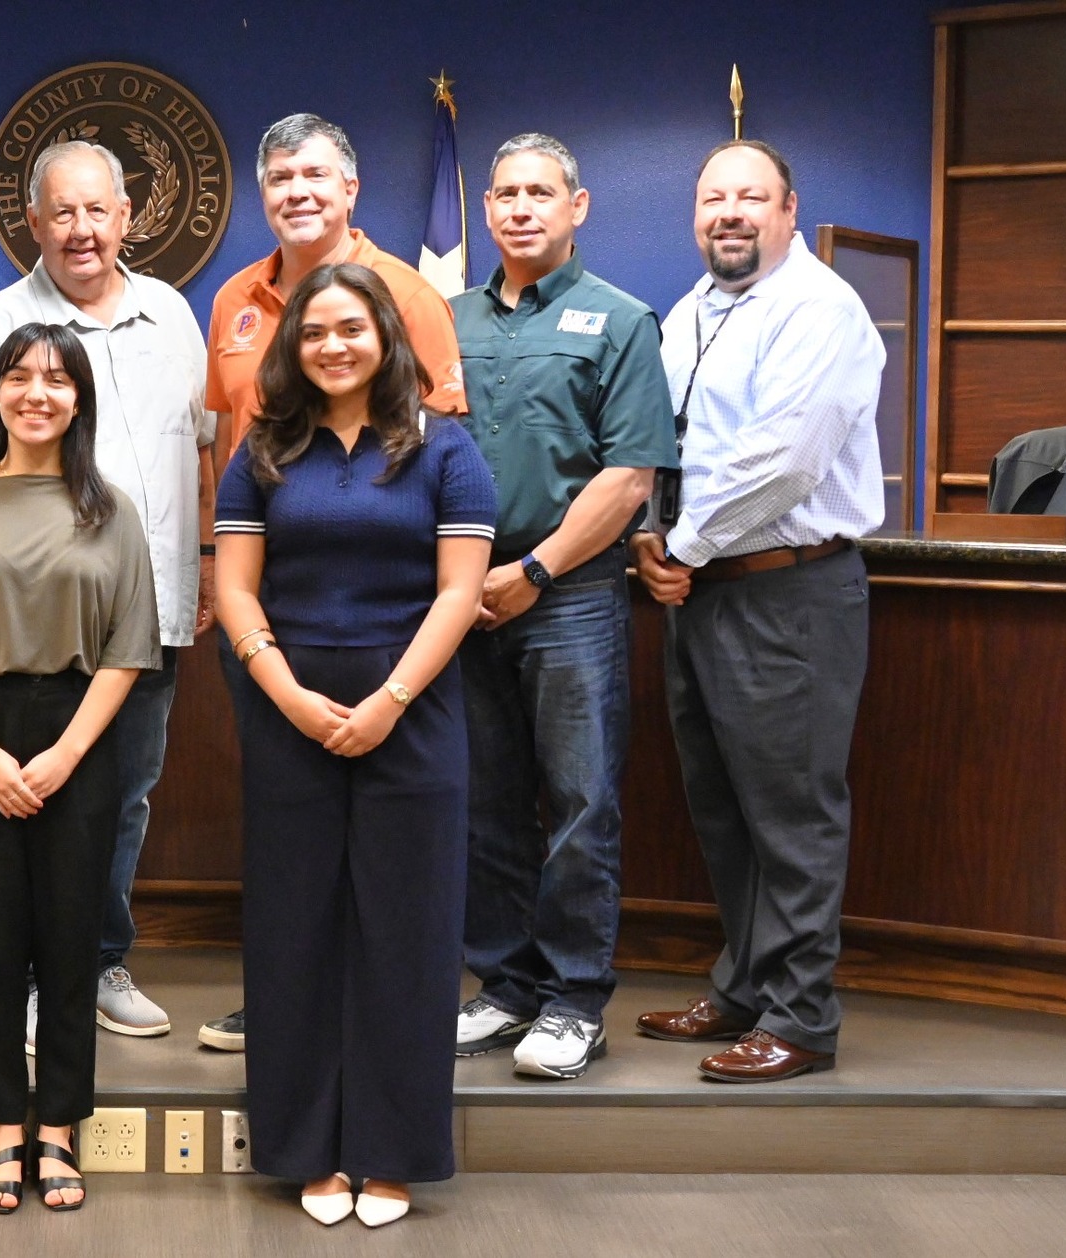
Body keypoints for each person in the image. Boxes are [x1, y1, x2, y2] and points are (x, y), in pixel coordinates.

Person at [216, 264, 494, 1227]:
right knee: (295, 928)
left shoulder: (444, 449)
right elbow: (236, 588)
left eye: (351, 328)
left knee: (408, 933)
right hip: (287, 701)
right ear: (293, 347)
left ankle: (392, 1151)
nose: (332, 345)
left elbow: (459, 591)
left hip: (411, 707)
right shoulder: (261, 450)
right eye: (314, 332)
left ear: (387, 336)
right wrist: (284, 688)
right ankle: (304, 1151)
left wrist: (391, 697)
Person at [196, 111, 467, 1053]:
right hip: (267, 613)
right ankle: (286, 1002)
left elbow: (440, 443)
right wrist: (213, 575)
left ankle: (378, 1012)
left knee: (394, 851)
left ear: (350, 189)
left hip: (390, 623)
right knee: (289, 834)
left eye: (315, 175)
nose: (297, 193)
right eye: (279, 179)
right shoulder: (234, 295)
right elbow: (223, 444)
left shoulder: (408, 294)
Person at [0, 141, 211, 1044]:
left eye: (99, 212)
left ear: (128, 218)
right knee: (23, 799)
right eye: (64, 213)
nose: (82, 231)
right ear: (35, 223)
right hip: (27, 623)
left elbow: (199, 450)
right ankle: (25, 977)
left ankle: (97, 962)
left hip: (147, 612)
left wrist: (204, 563)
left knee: (121, 796)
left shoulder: (173, 315)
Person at [631, 140, 883, 1083]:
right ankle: (744, 988)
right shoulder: (696, 308)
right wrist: (650, 537)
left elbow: (783, 460)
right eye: (712, 198)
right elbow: (664, 440)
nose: (728, 213)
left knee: (792, 815)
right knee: (725, 809)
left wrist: (679, 546)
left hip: (790, 591)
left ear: (788, 210)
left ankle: (803, 1018)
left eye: (750, 197)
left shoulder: (821, 310)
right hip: (704, 592)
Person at [0, 323, 161, 1214]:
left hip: (79, 733)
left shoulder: (112, 511)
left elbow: (127, 651)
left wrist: (65, 754)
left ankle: (61, 1125)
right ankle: (5, 1124)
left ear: (79, 398)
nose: (36, 393)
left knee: (72, 938)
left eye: (56, 379)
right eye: (19, 377)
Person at [449, 134, 676, 1077]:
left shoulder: (620, 320)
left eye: (540, 192)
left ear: (577, 206)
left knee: (580, 802)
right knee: (487, 805)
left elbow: (628, 478)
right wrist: (474, 582)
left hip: (569, 596)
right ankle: (506, 987)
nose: (519, 209)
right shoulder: (443, 317)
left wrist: (533, 572)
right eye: (504, 194)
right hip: (460, 599)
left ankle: (575, 999)